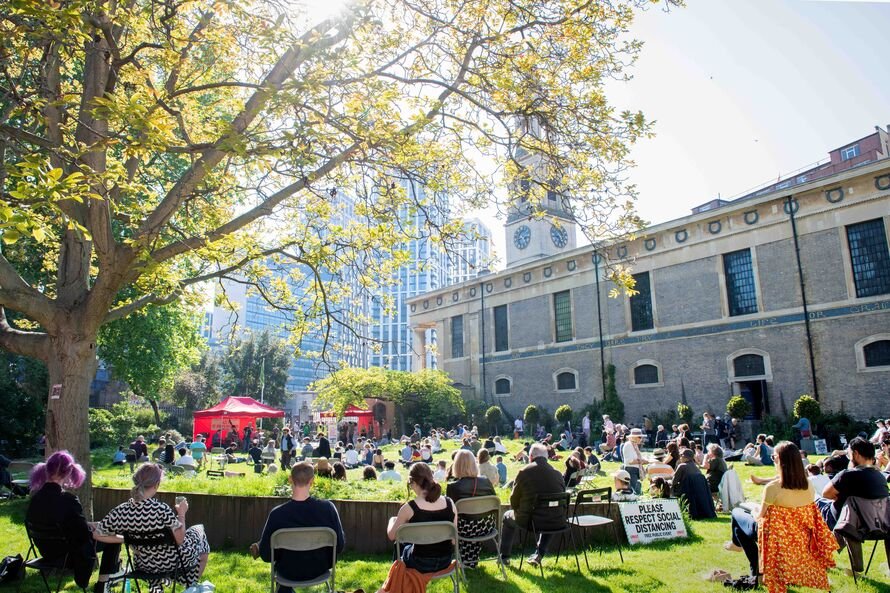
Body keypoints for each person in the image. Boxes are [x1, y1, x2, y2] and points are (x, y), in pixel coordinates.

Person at [725, 441, 835, 591]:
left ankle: (740, 549)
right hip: (798, 535)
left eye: (774, 457)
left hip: (775, 536)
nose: (773, 460)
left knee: (737, 513)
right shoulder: (808, 485)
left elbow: (760, 517)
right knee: (740, 527)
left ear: (780, 461)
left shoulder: (773, 488)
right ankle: (746, 558)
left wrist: (754, 510)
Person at [94, 464, 209, 593]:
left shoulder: (122, 510)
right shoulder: (161, 509)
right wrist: (181, 514)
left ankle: (158, 588)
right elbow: (180, 540)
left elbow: (98, 534)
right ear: (156, 484)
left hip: (144, 564)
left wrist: (125, 539)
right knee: (199, 531)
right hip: (172, 562)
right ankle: (191, 585)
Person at [26, 451, 121, 593]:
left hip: (47, 552)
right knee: (114, 541)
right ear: (69, 472)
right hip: (67, 555)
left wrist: (91, 525)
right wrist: (112, 534)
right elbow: (83, 536)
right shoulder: (68, 500)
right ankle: (103, 584)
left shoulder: (35, 497)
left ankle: (113, 574)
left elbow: (59, 524)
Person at [249, 462, 345, 592]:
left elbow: (266, 555)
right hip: (320, 569)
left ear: (290, 479)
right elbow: (339, 546)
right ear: (312, 481)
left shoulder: (277, 514)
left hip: (288, 572)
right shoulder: (328, 509)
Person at [378, 463, 457, 593]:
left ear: (413, 482)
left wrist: (391, 521)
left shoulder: (409, 508)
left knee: (400, 545)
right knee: (405, 546)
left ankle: (392, 587)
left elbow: (392, 535)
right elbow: (454, 540)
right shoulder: (450, 503)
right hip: (445, 560)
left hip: (420, 562)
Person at [499, 443, 566, 567]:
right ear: (546, 457)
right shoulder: (557, 474)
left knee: (507, 517)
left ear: (530, 457)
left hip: (530, 520)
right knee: (550, 512)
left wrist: (518, 510)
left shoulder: (524, 472)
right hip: (556, 519)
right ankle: (539, 554)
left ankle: (504, 557)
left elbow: (514, 500)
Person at [818, 437, 889, 535]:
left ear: (855, 454)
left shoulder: (847, 475)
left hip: (848, 523)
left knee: (817, 504)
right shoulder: (880, 477)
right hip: (877, 523)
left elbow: (826, 494)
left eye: (849, 453)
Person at [446, 450, 496, 569]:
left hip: (465, 529)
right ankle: (470, 561)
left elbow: (450, 513)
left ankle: (466, 561)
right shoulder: (486, 482)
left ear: (456, 465)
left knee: (458, 522)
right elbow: (495, 503)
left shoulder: (453, 487)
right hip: (487, 526)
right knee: (471, 520)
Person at [621, 428, 650, 495]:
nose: (641, 439)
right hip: (631, 469)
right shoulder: (628, 445)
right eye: (639, 437)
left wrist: (644, 461)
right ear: (633, 437)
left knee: (636, 490)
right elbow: (630, 461)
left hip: (635, 469)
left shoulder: (634, 445)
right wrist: (643, 461)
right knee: (632, 490)